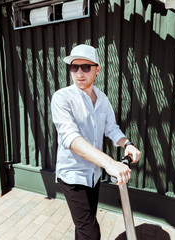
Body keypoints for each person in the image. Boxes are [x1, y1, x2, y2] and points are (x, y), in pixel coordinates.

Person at [51, 44, 141, 240]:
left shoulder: (102, 98)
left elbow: (112, 128)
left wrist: (128, 144)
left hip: (93, 174)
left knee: (84, 224)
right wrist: (110, 163)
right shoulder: (62, 98)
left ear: (97, 69)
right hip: (72, 175)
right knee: (91, 233)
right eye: (74, 67)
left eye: (86, 67)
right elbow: (71, 138)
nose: (79, 73)